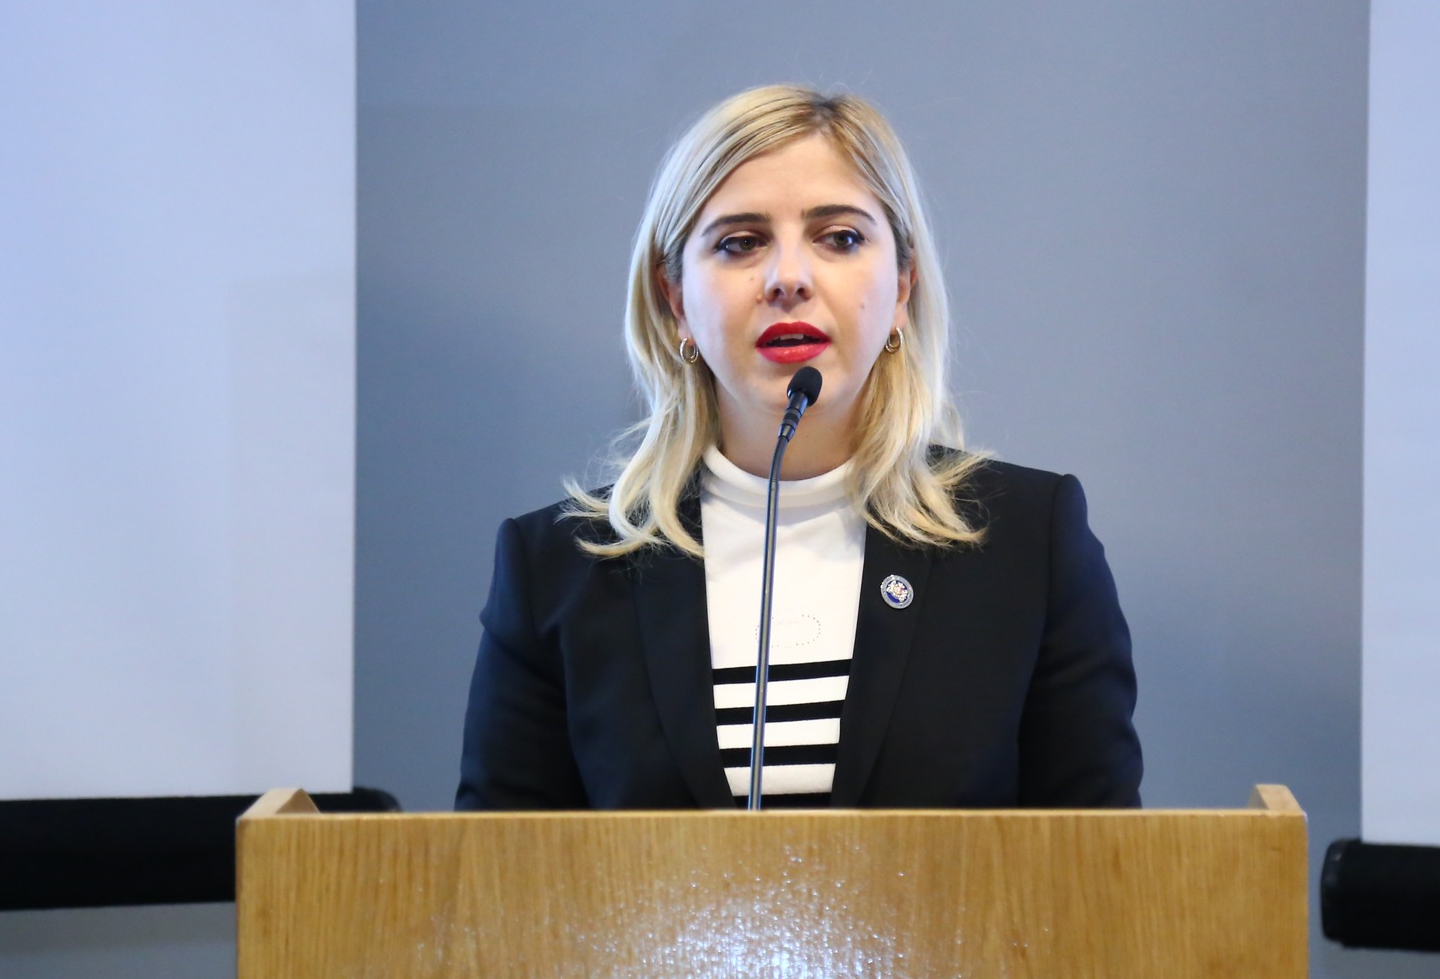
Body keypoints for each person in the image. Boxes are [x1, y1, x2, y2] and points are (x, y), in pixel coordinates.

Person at [456, 85, 1142, 810]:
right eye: (740, 243)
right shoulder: (557, 569)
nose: (788, 278)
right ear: (676, 299)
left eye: (839, 238)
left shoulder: (1029, 542)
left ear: (902, 285)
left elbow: (1098, 861)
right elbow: (500, 870)